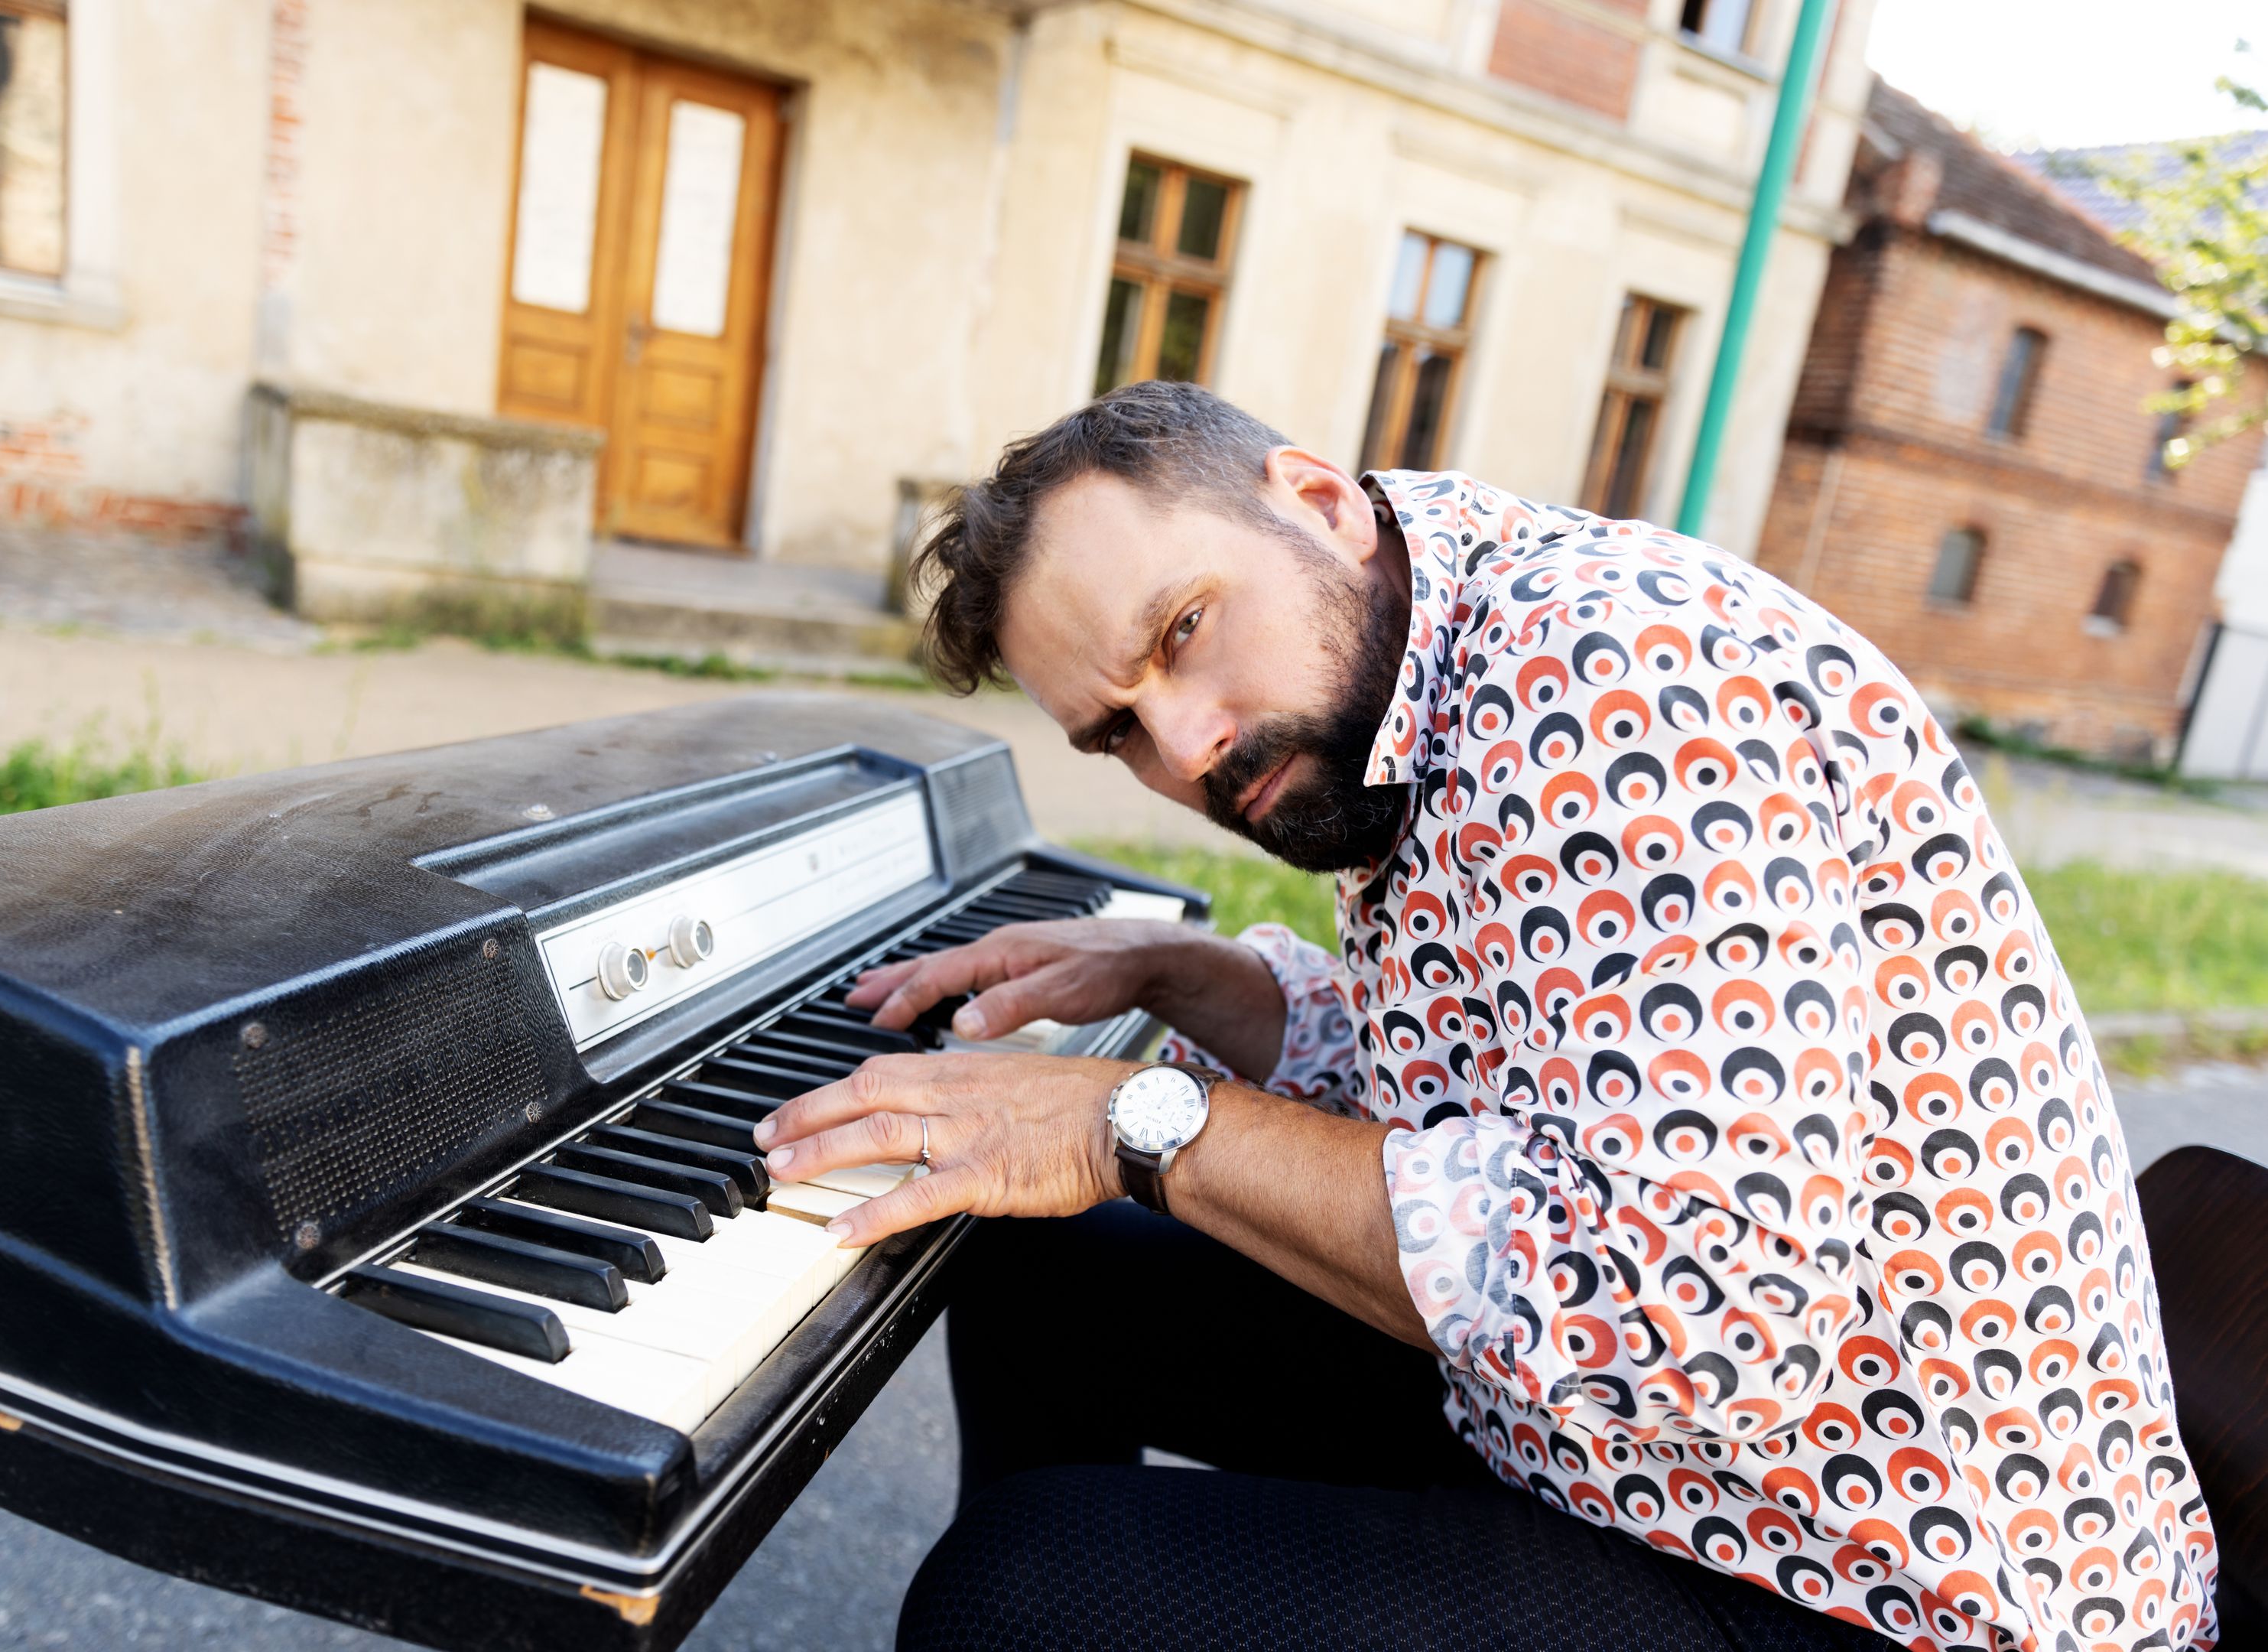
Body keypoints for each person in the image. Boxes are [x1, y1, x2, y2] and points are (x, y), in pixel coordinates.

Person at [749, 382, 2215, 1651]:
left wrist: (1129, 1120)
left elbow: (1694, 1313)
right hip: (1620, 1452)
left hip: (1872, 1573)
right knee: (1043, 1274)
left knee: (1023, 1593)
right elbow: (1483, 1079)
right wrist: (1181, 978)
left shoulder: (1619, 681)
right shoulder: (1423, 670)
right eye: (1118, 728)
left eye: (1183, 631)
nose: (1187, 746)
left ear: (1317, 502)